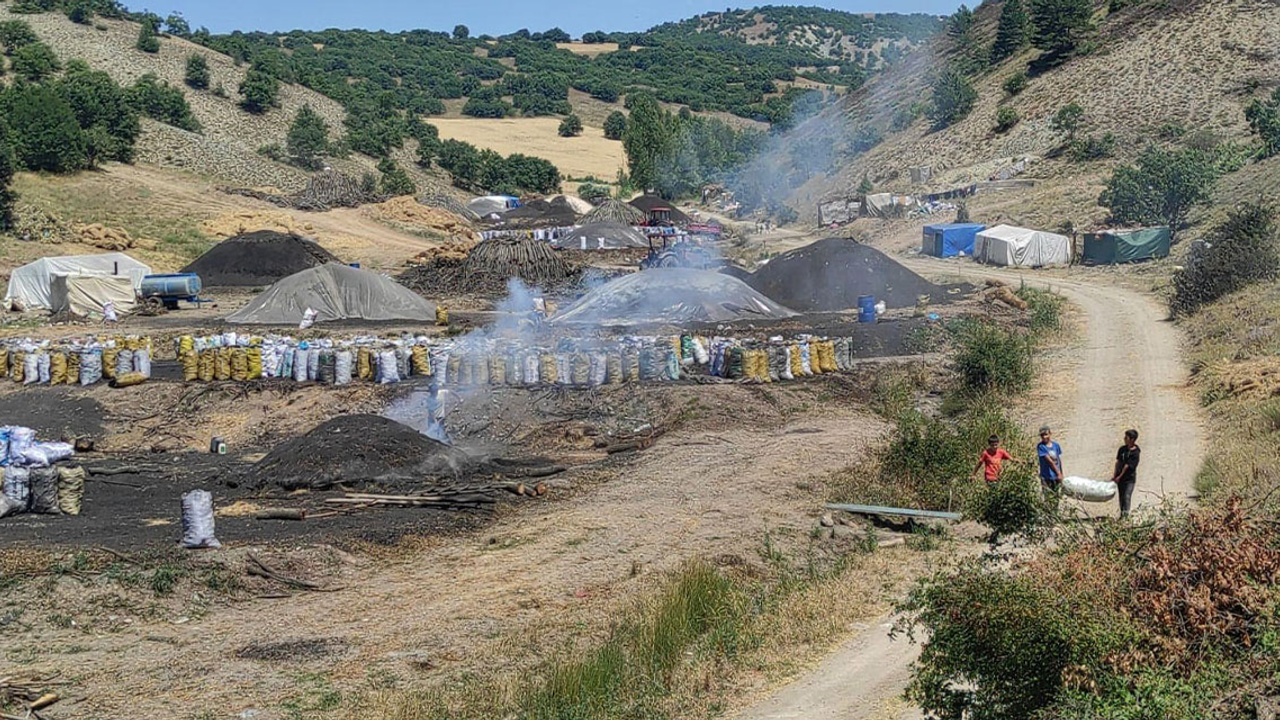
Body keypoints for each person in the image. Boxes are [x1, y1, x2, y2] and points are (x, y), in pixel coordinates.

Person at [1112, 429, 1141, 518]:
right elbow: (1118, 462)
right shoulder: (1122, 449)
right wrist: (1115, 475)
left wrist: (1119, 476)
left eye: (1126, 437)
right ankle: (1122, 515)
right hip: (1120, 479)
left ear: (1132, 439)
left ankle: (1126, 516)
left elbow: (1127, 466)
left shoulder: (1135, 453)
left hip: (1129, 479)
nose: (1124, 439)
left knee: (1127, 496)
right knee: (1121, 497)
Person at [1036, 426, 1064, 495]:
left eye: (1046, 434)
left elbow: (1058, 460)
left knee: (1056, 496)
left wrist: (1061, 473)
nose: (1044, 437)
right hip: (1046, 477)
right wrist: (1058, 473)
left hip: (1056, 476)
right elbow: (1050, 461)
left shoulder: (1056, 445)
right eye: (1042, 435)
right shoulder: (1041, 447)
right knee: (1048, 497)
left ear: (1050, 434)